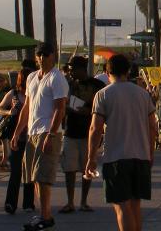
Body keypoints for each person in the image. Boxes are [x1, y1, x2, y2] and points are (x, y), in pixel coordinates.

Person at [86, 54, 158, 231]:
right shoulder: (143, 94)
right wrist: (150, 152)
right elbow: (152, 127)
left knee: (121, 206)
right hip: (140, 157)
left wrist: (91, 157)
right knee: (135, 205)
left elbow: (95, 129)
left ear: (107, 71)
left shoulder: (103, 95)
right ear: (128, 71)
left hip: (116, 158)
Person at [11, 42, 69, 231]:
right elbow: (27, 107)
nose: (42, 58)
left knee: (44, 176)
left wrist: (51, 135)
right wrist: (17, 132)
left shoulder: (57, 78)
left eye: (45, 54)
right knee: (34, 177)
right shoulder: (31, 78)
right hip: (32, 132)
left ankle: (46, 215)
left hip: (48, 132)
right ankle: (44, 214)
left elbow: (60, 108)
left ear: (53, 56)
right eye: (39, 55)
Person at [59, 55, 105, 214]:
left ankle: (84, 201)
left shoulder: (97, 85)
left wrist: (76, 107)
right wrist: (78, 108)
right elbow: (65, 105)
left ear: (81, 69)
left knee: (87, 168)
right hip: (70, 132)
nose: (70, 73)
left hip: (89, 134)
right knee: (69, 169)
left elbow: (96, 110)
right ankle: (70, 201)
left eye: (73, 70)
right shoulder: (68, 85)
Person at [0, 69, 35, 215]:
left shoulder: (34, 93)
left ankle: (28, 203)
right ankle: (10, 203)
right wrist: (10, 111)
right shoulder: (13, 94)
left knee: (29, 171)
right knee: (16, 171)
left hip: (31, 137)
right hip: (16, 137)